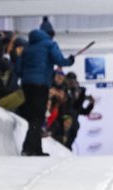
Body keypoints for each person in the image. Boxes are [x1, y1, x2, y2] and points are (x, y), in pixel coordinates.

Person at [15, 17, 75, 156]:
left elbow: (18, 69)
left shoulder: (28, 47)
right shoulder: (49, 44)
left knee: (33, 117)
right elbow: (60, 60)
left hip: (26, 85)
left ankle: (36, 149)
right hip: (40, 85)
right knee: (38, 117)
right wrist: (70, 60)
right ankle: (28, 148)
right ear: (50, 33)